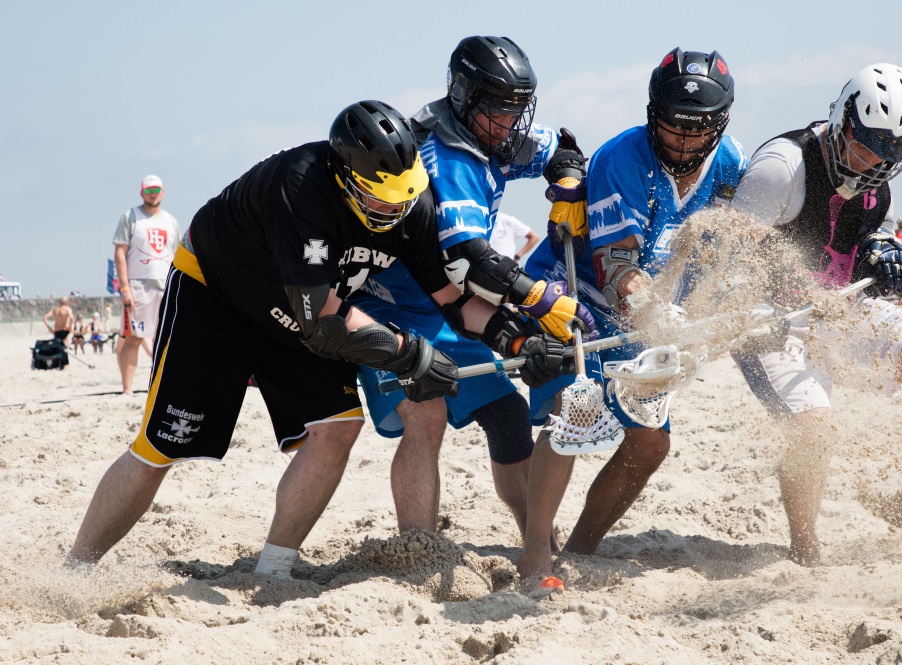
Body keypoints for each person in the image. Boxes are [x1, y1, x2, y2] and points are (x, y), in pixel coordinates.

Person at [68, 101, 568, 579]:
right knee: (162, 446)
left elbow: (451, 299)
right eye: (381, 200)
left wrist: (518, 341)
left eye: (405, 197)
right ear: (347, 179)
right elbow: (323, 321)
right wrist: (409, 354)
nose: (395, 211)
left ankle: (274, 570)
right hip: (216, 298)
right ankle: (77, 567)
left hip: (304, 309)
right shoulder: (300, 187)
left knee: (337, 428)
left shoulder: (408, 202)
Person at [517, 47, 748, 581]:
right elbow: (617, 266)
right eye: (672, 126)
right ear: (652, 113)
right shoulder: (619, 159)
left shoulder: (732, 162)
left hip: (652, 311)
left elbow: (724, 245)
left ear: (720, 125)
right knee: (571, 417)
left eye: (698, 129)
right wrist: (652, 309)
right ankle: (535, 555)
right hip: (576, 295)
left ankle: (578, 550)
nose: (683, 141)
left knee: (649, 442)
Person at [354, 36, 595, 545]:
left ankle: (539, 544)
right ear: (463, 97)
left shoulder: (494, 136)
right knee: (427, 414)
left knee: (507, 416)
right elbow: (472, 259)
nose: (510, 123)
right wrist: (542, 299)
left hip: (445, 305)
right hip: (388, 304)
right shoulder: (449, 157)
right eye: (498, 110)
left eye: (518, 109)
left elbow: (565, 147)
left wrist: (570, 185)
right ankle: (417, 549)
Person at [729, 63, 902, 566]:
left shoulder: (879, 187)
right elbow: (727, 255)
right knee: (815, 427)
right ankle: (805, 549)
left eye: (890, 155)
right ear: (842, 119)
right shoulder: (781, 168)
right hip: (768, 319)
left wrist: (880, 261)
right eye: (866, 146)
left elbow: (847, 256)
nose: (874, 164)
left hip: (836, 310)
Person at [113, 174, 180, 395]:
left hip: (165, 285)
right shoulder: (131, 217)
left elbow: (177, 255)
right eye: (149, 190)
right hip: (138, 285)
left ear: (163, 192)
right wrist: (124, 287)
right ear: (142, 192)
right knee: (134, 338)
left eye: (156, 190)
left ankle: (163, 385)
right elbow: (120, 253)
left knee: (166, 338)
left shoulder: (171, 221)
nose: (153, 194)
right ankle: (127, 389)